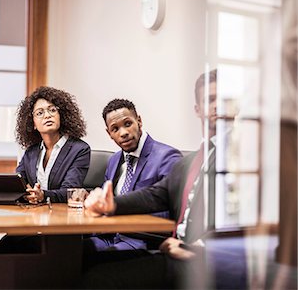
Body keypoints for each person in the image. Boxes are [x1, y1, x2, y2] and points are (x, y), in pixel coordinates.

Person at [82, 70, 230, 289]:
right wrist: (111, 204)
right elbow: (157, 194)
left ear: (139, 121)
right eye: (210, 100)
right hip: (170, 248)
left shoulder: (242, 154)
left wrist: (199, 246)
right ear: (198, 110)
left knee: (95, 279)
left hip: (193, 255)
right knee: (70, 258)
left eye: (226, 99)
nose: (219, 106)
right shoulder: (197, 158)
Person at [85, 99, 182, 251]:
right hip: (108, 236)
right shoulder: (114, 160)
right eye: (115, 129)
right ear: (109, 133)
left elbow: (172, 211)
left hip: (140, 240)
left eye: (128, 124)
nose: (123, 133)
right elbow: (106, 202)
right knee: (71, 250)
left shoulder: (167, 157)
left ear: (139, 121)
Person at [15, 86, 91, 203]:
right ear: (33, 123)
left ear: (61, 116)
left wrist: (43, 195)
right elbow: (18, 182)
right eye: (40, 113)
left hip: (62, 215)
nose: (47, 115)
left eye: (52, 110)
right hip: (33, 214)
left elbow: (70, 190)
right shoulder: (31, 152)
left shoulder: (80, 149)